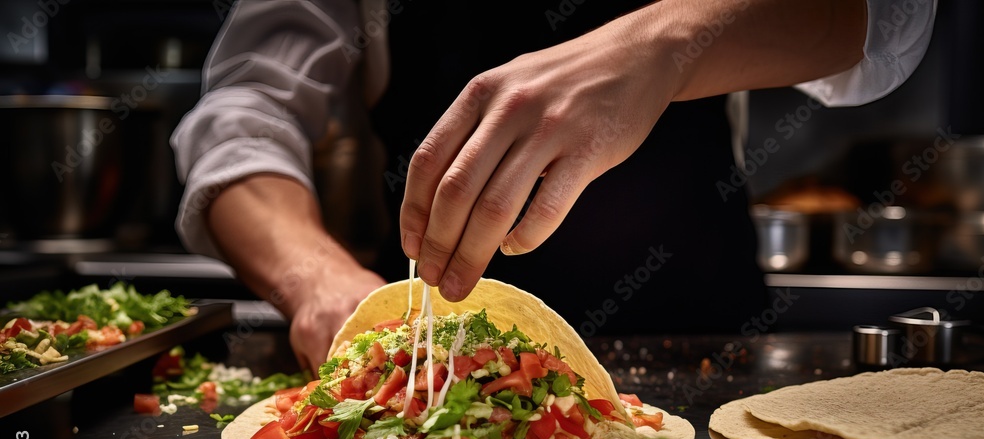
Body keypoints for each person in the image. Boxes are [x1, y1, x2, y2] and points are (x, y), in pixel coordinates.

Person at [172, 0, 937, 372]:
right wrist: (320, 284)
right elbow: (242, 113)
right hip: (428, 373)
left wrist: (666, 43)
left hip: (711, 365)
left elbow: (891, 21)